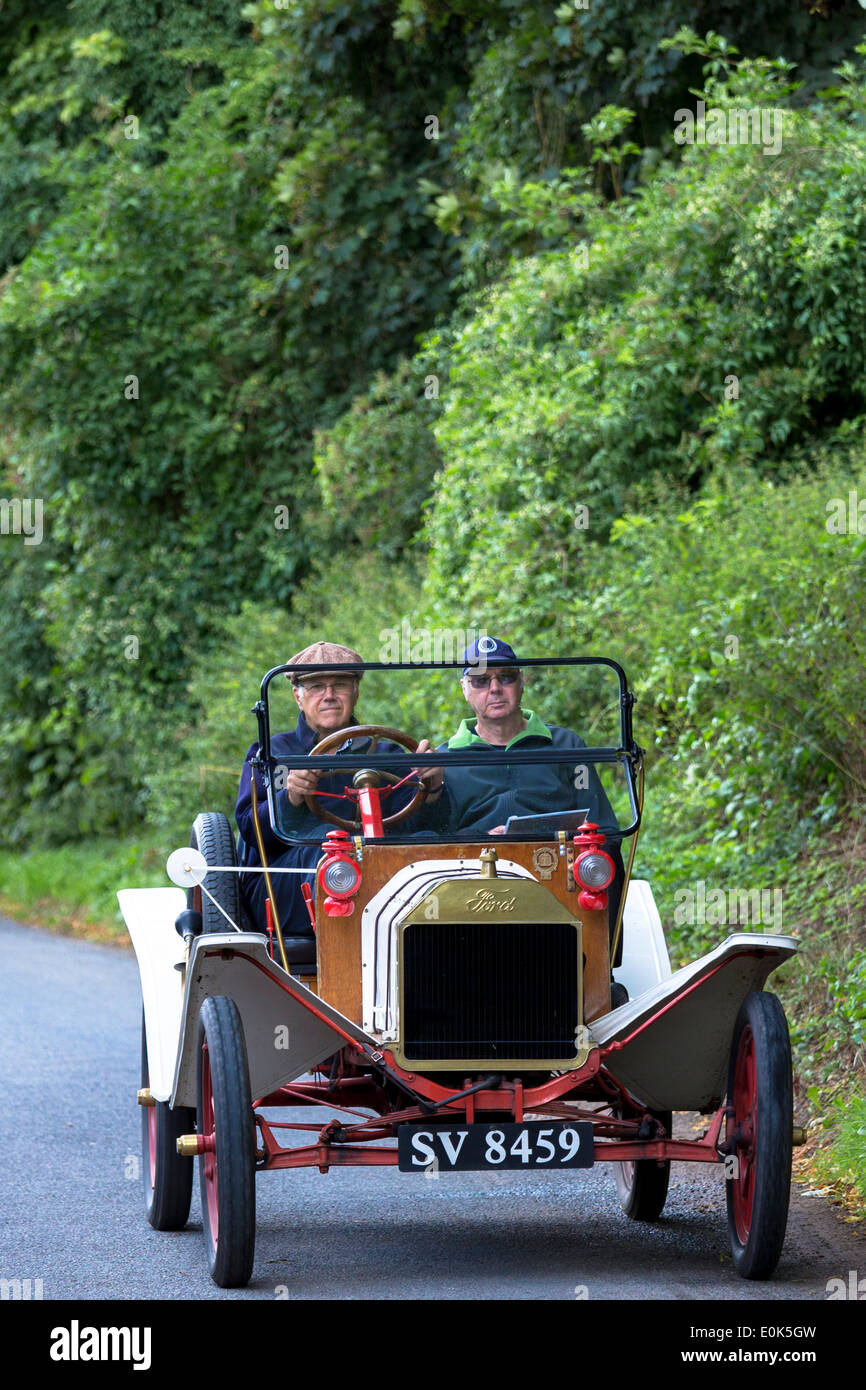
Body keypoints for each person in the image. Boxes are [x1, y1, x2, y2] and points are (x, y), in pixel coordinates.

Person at [413, 637, 625, 952]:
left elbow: (603, 828)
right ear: (465, 689)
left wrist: (549, 839)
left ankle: (596, 971)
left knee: (606, 858)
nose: (494, 688)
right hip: (474, 882)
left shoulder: (565, 746)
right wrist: (436, 795)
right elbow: (429, 847)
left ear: (521, 682)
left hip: (557, 873)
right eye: (481, 680)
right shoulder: (443, 761)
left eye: (506, 677)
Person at [235, 640, 433, 940]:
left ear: (355, 692)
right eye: (316, 686)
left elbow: (420, 826)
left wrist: (432, 785)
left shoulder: (389, 753)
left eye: (339, 684)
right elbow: (252, 833)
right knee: (332, 855)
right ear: (298, 697)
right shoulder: (273, 753)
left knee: (429, 845)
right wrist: (290, 797)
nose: (329, 695)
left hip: (382, 880)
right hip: (285, 887)